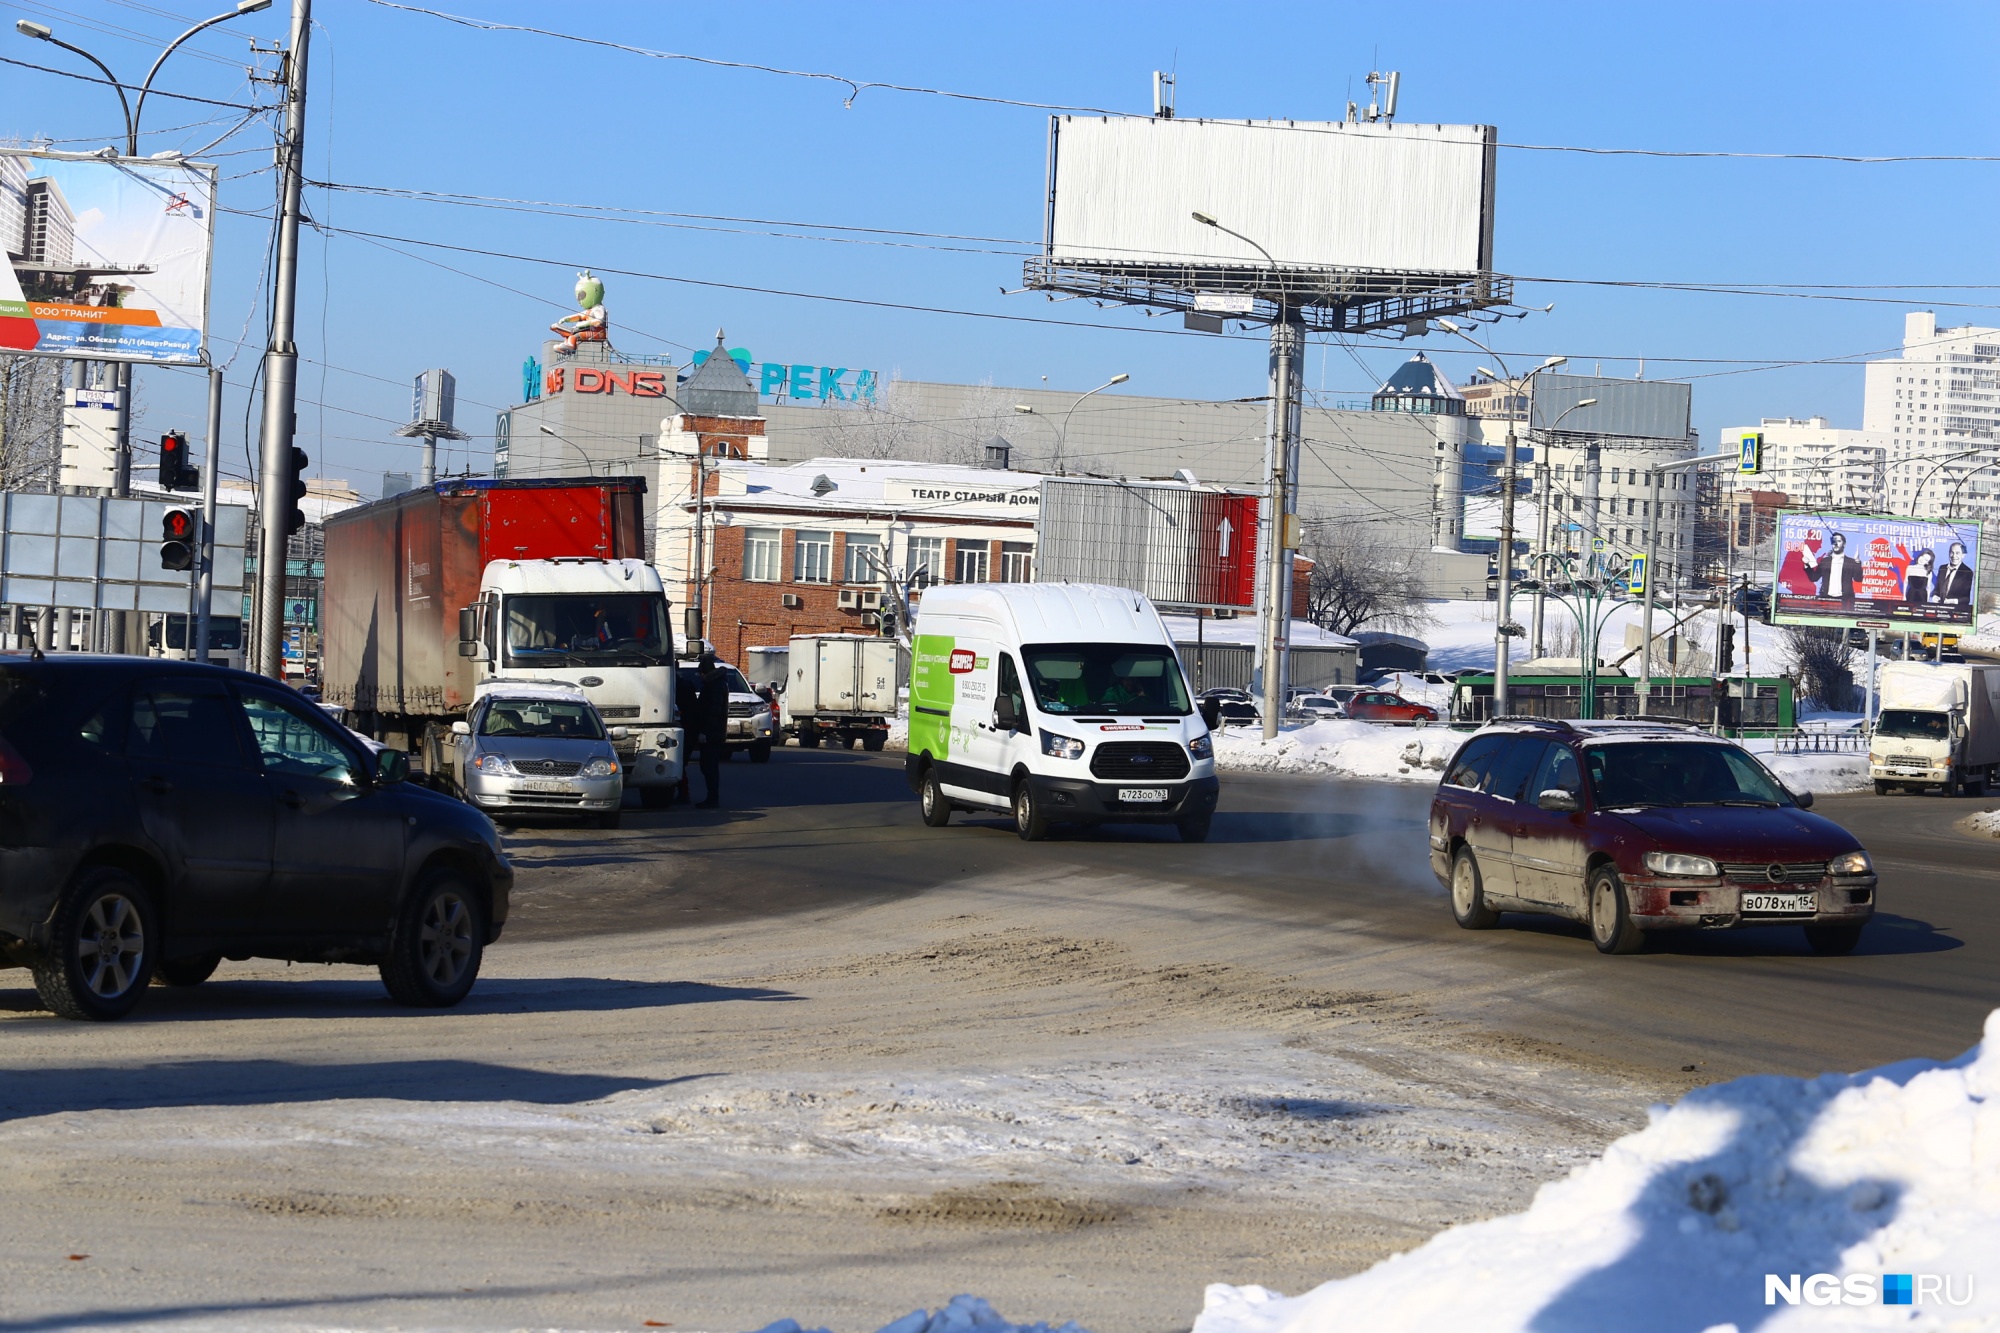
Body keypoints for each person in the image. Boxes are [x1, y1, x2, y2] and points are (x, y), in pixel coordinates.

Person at [692, 654, 731, 810]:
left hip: (712, 734)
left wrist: (705, 732)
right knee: (707, 766)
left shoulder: (714, 686)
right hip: (714, 732)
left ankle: (712, 798)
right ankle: (712, 797)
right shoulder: (717, 684)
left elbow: (713, 711)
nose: (700, 677)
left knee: (709, 767)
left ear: (705, 673)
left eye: (701, 674)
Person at [1800, 530, 1862, 604]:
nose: (1835, 544)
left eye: (1838, 541)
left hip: (1845, 600)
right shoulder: (1825, 561)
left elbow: (1858, 579)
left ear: (1844, 544)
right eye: (1833, 541)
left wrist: (1857, 562)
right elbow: (1814, 578)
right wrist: (1807, 565)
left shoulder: (1850, 562)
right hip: (1826, 599)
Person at [1934, 541, 1975, 606]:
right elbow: (1937, 589)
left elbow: (1966, 598)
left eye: (1957, 553)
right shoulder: (1942, 568)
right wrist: (1934, 596)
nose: (1954, 556)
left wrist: (1953, 601)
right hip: (1938, 608)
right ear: (1949, 553)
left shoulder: (1967, 572)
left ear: (1963, 555)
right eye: (1952, 552)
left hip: (1955, 610)